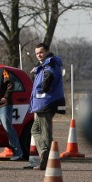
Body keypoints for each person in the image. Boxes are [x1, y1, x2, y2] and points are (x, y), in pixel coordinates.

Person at [24, 42, 65, 170]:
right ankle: (46, 153)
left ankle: (46, 156)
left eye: (41, 52)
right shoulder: (46, 64)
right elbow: (45, 70)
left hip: (46, 102)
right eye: (37, 53)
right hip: (43, 102)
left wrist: (44, 87)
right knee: (35, 130)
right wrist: (37, 69)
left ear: (47, 51)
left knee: (44, 130)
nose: (39, 55)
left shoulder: (50, 64)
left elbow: (49, 75)